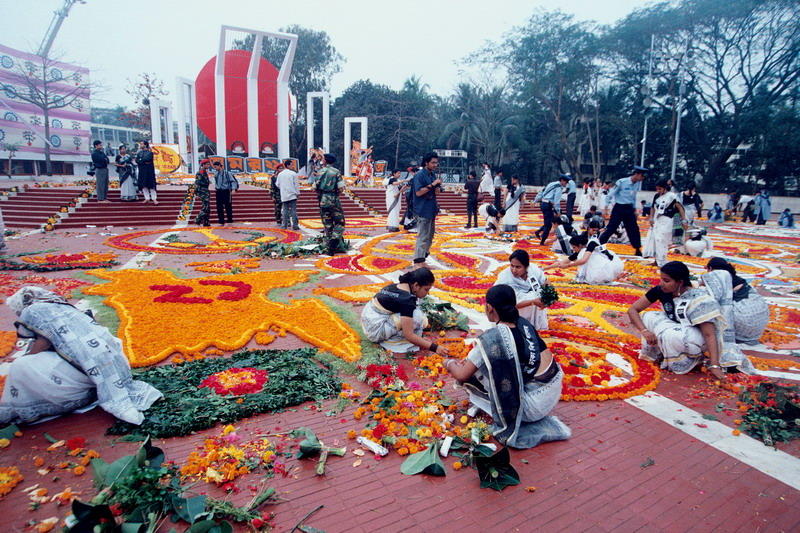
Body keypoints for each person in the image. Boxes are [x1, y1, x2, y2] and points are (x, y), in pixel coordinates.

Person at [0, 287, 162, 425]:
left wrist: (25, 357)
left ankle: (34, 404)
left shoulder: (32, 311)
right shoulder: (57, 303)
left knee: (21, 367)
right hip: (107, 359)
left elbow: (44, 341)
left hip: (84, 370)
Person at [443, 285, 570, 448]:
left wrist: (448, 363)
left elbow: (461, 375)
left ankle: (509, 415)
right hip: (553, 391)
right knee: (489, 364)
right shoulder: (524, 323)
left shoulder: (493, 338)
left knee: (474, 374)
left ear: (489, 307)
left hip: (531, 408)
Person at [627, 261, 753, 380]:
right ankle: (662, 352)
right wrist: (644, 331)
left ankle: (693, 358)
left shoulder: (699, 300)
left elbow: (709, 334)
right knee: (649, 317)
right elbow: (633, 310)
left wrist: (714, 365)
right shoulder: (661, 290)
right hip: (679, 327)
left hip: (697, 338)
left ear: (680, 282)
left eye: (666, 280)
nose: (661, 283)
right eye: (661, 279)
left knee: (670, 334)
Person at [360, 267, 447, 355]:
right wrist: (435, 348)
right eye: (426, 289)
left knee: (415, 314)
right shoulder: (407, 300)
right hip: (374, 331)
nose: (427, 293)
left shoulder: (398, 286)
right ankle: (394, 342)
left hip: (368, 320)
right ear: (416, 285)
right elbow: (409, 335)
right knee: (418, 317)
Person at [706, 258, 769, 345]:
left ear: (710, 269)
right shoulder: (738, 279)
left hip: (740, 326)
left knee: (705, 307)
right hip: (757, 327)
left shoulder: (718, 280)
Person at [545, 223, 624, 285]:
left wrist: (568, 266)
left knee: (582, 256)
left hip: (607, 267)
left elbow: (584, 260)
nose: (573, 250)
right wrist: (544, 268)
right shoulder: (581, 248)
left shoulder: (591, 244)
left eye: (574, 247)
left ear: (579, 245)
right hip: (604, 268)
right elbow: (563, 262)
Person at [495, 249, 549, 330]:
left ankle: (536, 326)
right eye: (512, 266)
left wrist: (547, 298)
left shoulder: (533, 269)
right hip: (513, 309)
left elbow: (546, 281)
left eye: (518, 267)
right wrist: (533, 301)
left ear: (526, 266)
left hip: (533, 304)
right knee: (532, 297)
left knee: (537, 295)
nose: (514, 270)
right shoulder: (504, 277)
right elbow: (505, 304)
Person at [598, 166, 647, 255]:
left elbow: (633, 197)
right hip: (619, 208)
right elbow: (611, 194)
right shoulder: (622, 182)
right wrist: (606, 207)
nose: (642, 179)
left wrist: (635, 209)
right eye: (642, 176)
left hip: (629, 209)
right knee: (611, 228)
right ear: (637, 174)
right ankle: (599, 244)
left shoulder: (637, 184)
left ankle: (637, 249)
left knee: (633, 229)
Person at [642, 179, 687, 267]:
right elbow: (652, 208)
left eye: (660, 189)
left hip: (667, 221)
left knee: (662, 241)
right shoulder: (656, 196)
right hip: (657, 221)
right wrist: (651, 218)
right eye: (657, 189)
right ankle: (657, 261)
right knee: (656, 240)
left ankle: (662, 262)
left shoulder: (672, 196)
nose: (658, 191)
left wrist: (684, 220)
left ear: (665, 188)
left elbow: (680, 208)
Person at [412, 152, 442, 266]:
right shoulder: (419, 175)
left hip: (431, 210)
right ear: (426, 163)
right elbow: (419, 192)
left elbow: (436, 192)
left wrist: (438, 186)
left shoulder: (432, 175)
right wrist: (433, 185)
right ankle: (418, 262)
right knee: (423, 237)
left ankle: (422, 258)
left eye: (436, 163)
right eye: (433, 162)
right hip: (422, 210)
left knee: (429, 237)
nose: (435, 165)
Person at [315, 153, 347, 255]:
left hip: (323, 200)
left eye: (323, 158)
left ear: (325, 160)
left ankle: (328, 247)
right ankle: (334, 243)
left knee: (327, 223)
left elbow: (314, 188)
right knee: (339, 222)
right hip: (333, 200)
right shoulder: (336, 172)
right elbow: (341, 188)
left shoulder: (319, 172)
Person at [533, 174, 569, 246]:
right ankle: (542, 242)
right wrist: (558, 211)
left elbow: (542, 192)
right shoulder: (559, 188)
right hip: (548, 205)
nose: (566, 183)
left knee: (549, 221)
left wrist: (535, 200)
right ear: (562, 180)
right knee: (548, 225)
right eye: (566, 182)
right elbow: (556, 201)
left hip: (543, 204)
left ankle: (538, 231)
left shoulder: (551, 184)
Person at [211, 160, 239, 225]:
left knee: (228, 206)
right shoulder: (216, 174)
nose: (215, 168)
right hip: (218, 191)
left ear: (219, 166)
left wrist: (233, 189)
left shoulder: (227, 173)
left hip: (226, 191)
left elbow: (233, 181)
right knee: (219, 206)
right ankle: (221, 220)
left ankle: (230, 219)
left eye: (215, 167)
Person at [276, 158, 300, 230]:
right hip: (292, 194)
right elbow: (296, 184)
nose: (293, 166)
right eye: (292, 164)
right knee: (293, 210)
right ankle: (295, 225)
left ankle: (284, 225)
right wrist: (298, 193)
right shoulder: (293, 173)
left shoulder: (280, 174)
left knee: (285, 210)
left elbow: (277, 184)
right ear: (288, 165)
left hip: (284, 194)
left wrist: (283, 189)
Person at [135, 141, 157, 205]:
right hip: (142, 171)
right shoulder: (139, 153)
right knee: (143, 184)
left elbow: (146, 159)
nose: (140, 145)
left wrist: (141, 160)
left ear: (145, 145)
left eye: (141, 144)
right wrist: (142, 161)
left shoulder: (150, 153)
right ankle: (146, 198)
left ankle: (154, 198)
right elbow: (137, 160)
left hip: (149, 171)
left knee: (151, 185)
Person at [193, 159, 212, 227]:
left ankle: (206, 222)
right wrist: (196, 193)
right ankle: (198, 219)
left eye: (208, 164)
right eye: (207, 164)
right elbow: (197, 183)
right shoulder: (200, 172)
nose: (208, 165)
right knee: (206, 207)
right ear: (203, 165)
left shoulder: (204, 172)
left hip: (206, 191)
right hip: (202, 191)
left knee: (208, 208)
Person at [402, 166, 418, 231]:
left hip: (413, 197)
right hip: (413, 197)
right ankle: (410, 226)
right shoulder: (414, 179)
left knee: (412, 210)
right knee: (412, 210)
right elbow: (406, 186)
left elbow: (406, 186)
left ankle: (410, 225)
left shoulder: (414, 179)